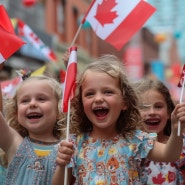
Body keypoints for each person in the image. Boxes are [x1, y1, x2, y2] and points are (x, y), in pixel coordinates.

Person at [52, 54, 185, 185]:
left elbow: (170, 154)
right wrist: (62, 164)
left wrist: (176, 129)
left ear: (124, 102)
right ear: (81, 104)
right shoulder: (73, 144)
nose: (98, 98)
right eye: (90, 94)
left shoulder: (136, 140)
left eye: (108, 92)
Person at [0, 75, 66, 185]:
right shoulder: (14, 143)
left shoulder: (66, 149)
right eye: (25, 101)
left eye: (41, 99)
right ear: (16, 113)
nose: (32, 104)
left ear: (59, 110)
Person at [134, 78, 184, 184]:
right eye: (144, 107)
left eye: (158, 106)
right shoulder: (129, 146)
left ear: (169, 111)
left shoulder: (182, 145)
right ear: (133, 113)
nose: (152, 112)